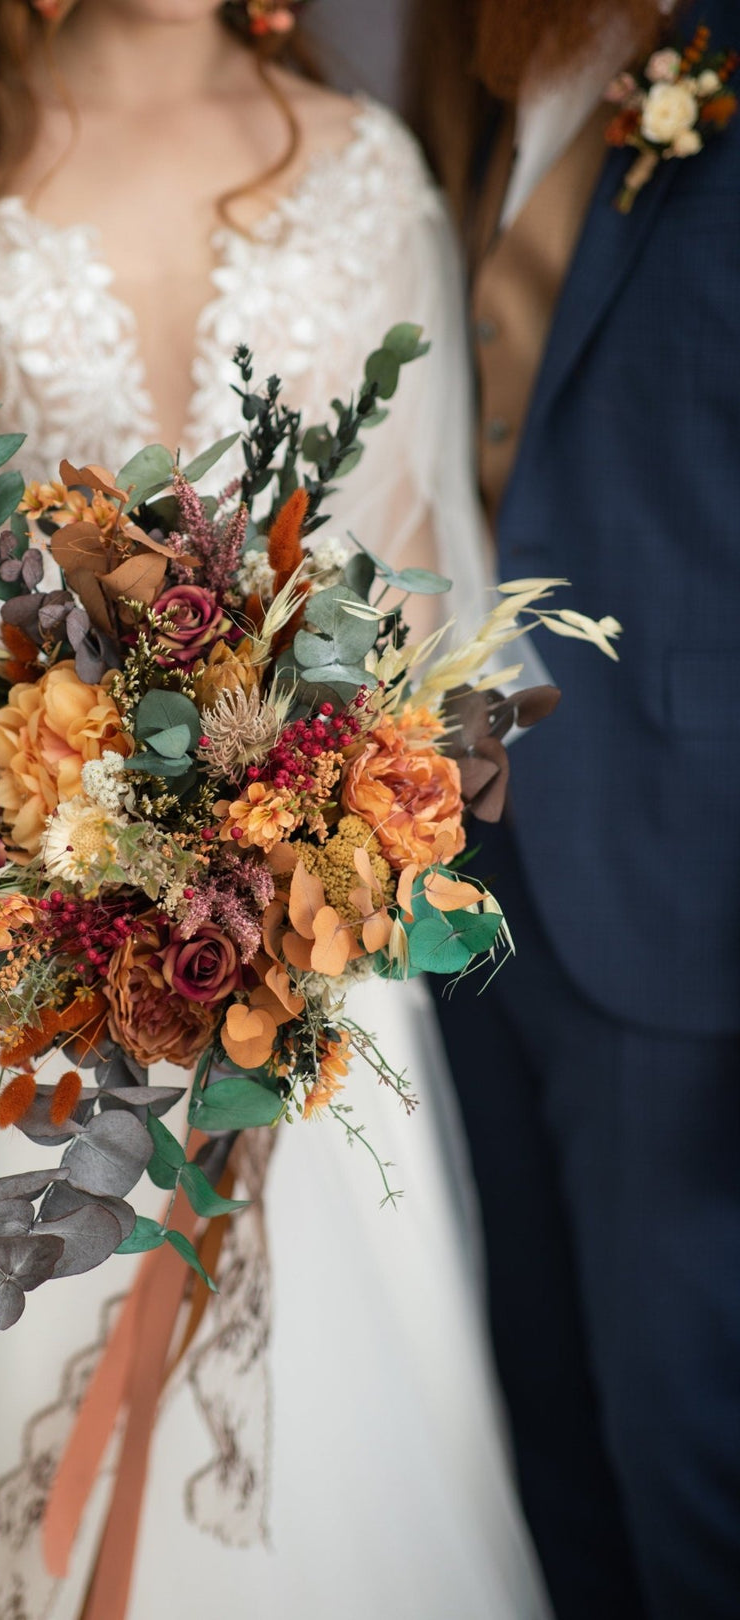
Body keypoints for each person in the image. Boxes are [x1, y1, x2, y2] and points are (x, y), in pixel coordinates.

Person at [0, 2, 549, 1616]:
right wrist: (22, 831)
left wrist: (267, 837)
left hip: (288, 943)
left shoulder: (368, 173)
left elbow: (418, 599)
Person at [405, 1, 740, 1616]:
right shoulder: (470, 69)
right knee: (546, 1431)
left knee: (692, 1452)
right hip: (466, 869)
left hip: (692, 884)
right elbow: (495, 487)